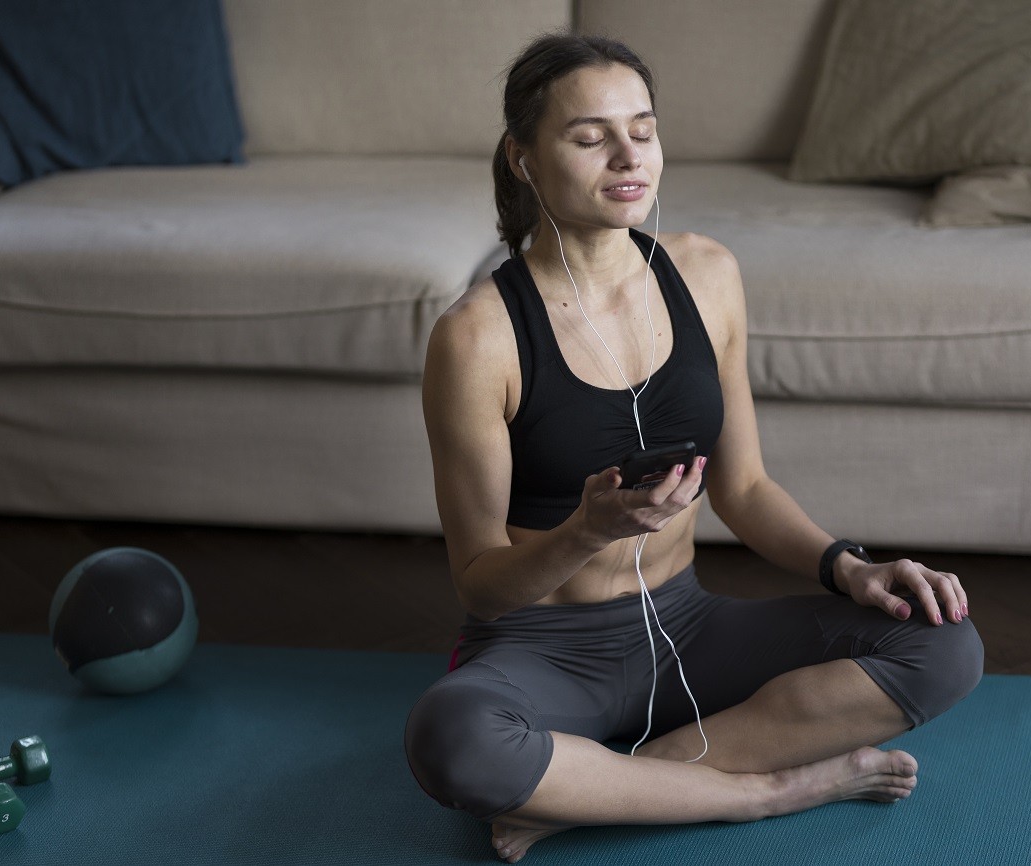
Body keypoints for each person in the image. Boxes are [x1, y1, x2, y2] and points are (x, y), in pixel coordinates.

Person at [405, 32, 984, 864]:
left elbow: (743, 488)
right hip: (545, 650)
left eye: (641, 129)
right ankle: (767, 790)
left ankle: (600, 790)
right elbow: (481, 587)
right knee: (451, 738)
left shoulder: (707, 275)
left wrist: (850, 568)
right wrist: (585, 532)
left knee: (942, 641)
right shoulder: (477, 337)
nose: (625, 156)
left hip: (689, 628)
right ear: (524, 159)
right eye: (588, 135)